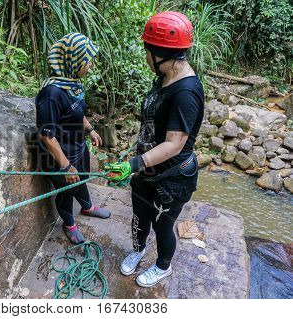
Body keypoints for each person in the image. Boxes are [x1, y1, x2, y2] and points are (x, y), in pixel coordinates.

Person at [105, 11, 204, 287]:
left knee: (163, 225)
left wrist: (135, 163)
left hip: (172, 177)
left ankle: (163, 266)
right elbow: (152, 126)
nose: (146, 57)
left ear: (161, 53)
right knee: (140, 215)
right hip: (147, 170)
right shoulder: (163, 76)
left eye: (148, 50)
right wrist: (134, 159)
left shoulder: (185, 93)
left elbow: (174, 143)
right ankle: (138, 250)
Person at [36, 33, 111, 245]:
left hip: (78, 146)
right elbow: (46, 135)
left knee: (83, 177)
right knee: (68, 189)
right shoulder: (51, 94)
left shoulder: (72, 83)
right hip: (60, 155)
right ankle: (68, 224)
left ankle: (87, 207)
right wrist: (66, 166)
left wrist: (90, 130)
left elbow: (76, 111)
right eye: (88, 61)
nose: (91, 65)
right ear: (73, 61)